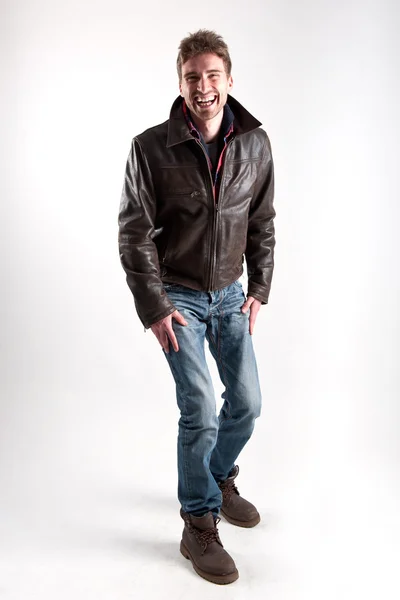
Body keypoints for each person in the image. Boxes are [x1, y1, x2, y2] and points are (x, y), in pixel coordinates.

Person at [118, 29, 276, 585]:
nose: (203, 87)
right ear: (180, 84)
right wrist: (154, 307)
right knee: (201, 408)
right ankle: (198, 521)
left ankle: (216, 477)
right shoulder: (151, 147)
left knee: (248, 405)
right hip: (178, 298)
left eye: (213, 76)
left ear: (229, 81)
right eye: (192, 77)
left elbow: (262, 220)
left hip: (232, 294)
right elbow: (133, 234)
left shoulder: (256, 144)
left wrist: (260, 287)